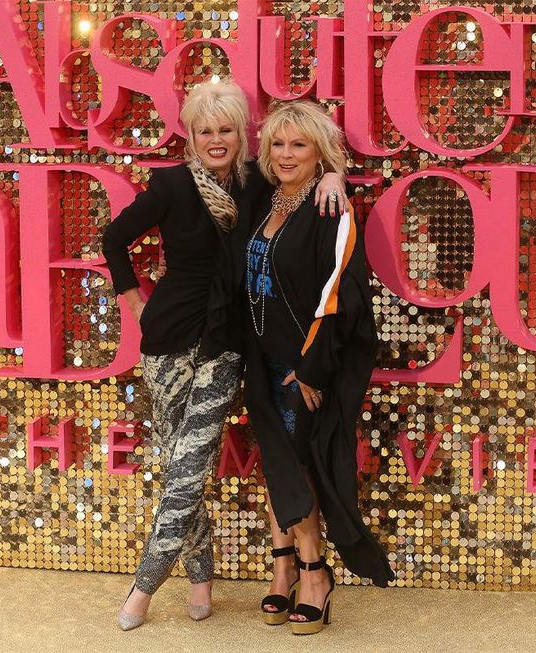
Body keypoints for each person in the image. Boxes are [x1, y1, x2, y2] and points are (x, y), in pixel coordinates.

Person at [101, 81, 347, 631]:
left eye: (227, 130)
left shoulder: (258, 185)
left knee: (191, 465)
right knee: (178, 466)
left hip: (226, 342)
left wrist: (335, 174)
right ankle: (201, 577)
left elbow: (305, 174)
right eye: (205, 131)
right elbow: (113, 240)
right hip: (166, 340)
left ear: (242, 135)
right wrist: (135, 303)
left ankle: (143, 588)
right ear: (191, 136)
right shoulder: (171, 184)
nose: (216, 140)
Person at [240, 101, 394, 636]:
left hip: (302, 366)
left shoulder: (330, 209)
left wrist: (311, 369)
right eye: (278, 144)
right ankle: (283, 568)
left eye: (299, 145)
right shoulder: (263, 199)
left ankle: (314, 575)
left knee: (299, 467)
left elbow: (340, 296)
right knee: (276, 464)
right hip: (260, 362)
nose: (286, 154)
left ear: (319, 152)